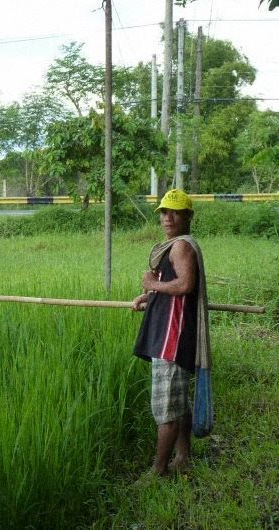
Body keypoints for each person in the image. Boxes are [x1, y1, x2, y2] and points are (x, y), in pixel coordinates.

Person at [131, 188, 210, 477]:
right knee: (178, 402)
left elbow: (185, 285)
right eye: (164, 212)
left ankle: (158, 471)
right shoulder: (179, 244)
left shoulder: (180, 247)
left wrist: (153, 285)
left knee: (166, 409)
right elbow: (173, 287)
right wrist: (148, 296)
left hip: (171, 339)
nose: (168, 217)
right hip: (173, 336)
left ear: (188, 215)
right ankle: (183, 457)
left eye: (175, 212)